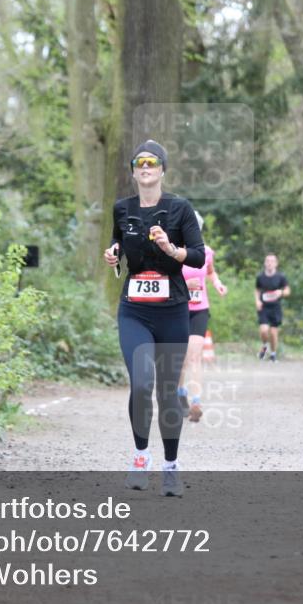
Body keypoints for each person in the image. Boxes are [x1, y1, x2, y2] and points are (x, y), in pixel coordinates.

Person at [103, 140, 204, 497]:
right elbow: (118, 240)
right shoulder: (122, 208)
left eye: (152, 162)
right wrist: (114, 254)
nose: (146, 167)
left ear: (162, 170)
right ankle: (140, 457)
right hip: (134, 309)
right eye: (139, 163)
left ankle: (171, 467)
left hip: (173, 309)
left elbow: (197, 256)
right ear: (133, 171)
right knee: (142, 383)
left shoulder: (180, 209)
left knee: (165, 391)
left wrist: (170, 249)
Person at [179, 211, 227, 422]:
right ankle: (181, 396)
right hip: (177, 309)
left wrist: (217, 284)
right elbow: (164, 279)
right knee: (179, 360)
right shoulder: (173, 252)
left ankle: (196, 401)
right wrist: (183, 285)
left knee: (194, 357)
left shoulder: (206, 252)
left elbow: (210, 271)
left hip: (199, 309)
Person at [254, 253, 290, 362]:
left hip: (275, 308)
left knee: (274, 333)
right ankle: (265, 346)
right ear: (265, 263)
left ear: (276, 263)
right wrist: (257, 301)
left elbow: (288, 291)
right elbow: (257, 290)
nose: (269, 263)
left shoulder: (281, 277)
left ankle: (273, 354)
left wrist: (282, 292)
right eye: (267, 261)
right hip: (264, 307)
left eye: (272, 261)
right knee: (264, 330)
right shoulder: (260, 277)